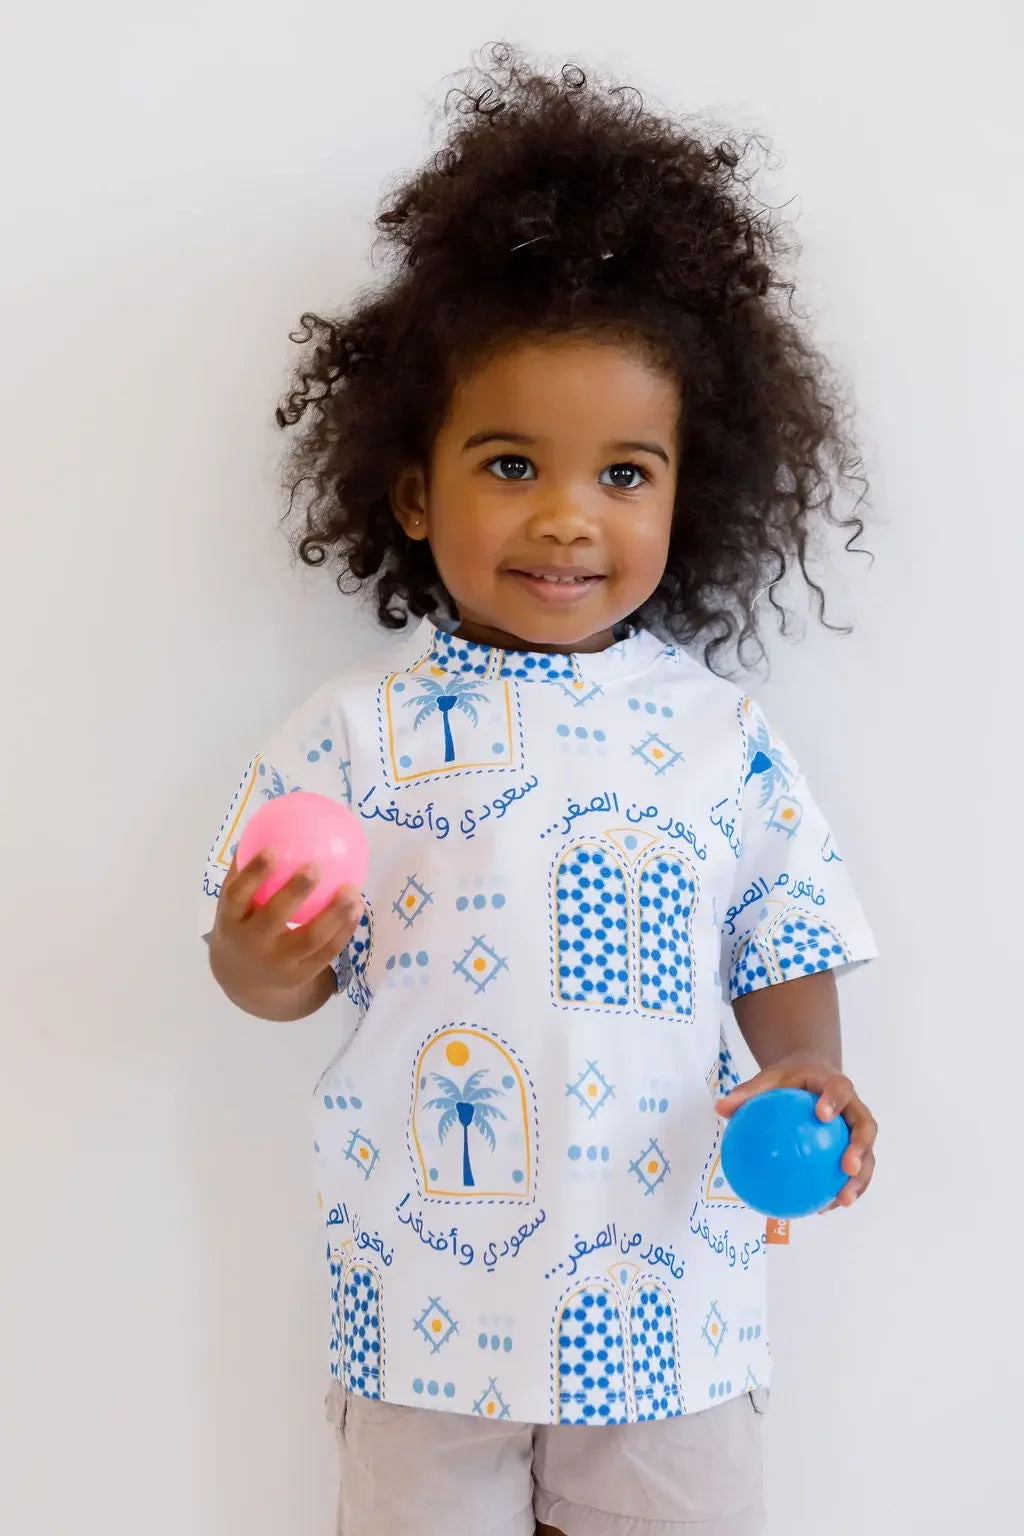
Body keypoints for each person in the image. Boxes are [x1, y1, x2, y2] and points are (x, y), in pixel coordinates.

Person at [200, 48, 878, 1536]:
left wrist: (807, 1066)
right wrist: (260, 958)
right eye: (512, 462)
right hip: (425, 1300)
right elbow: (269, 975)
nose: (570, 515)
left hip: (667, 1292)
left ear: (690, 495)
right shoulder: (356, 737)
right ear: (413, 489)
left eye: (626, 474)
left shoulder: (718, 736)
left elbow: (782, 930)